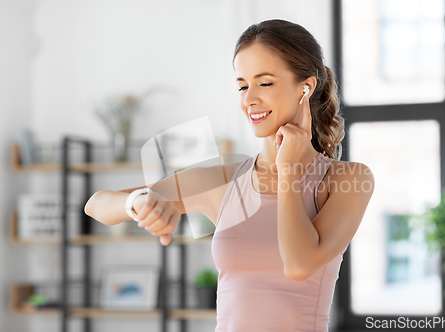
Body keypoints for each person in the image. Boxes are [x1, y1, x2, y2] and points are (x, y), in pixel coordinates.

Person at [85, 19, 375, 331]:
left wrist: (288, 169)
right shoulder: (226, 181)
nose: (249, 98)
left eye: (264, 83)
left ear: (305, 87)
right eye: (242, 85)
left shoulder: (347, 180)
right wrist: (138, 202)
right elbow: (97, 205)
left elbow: (299, 264)